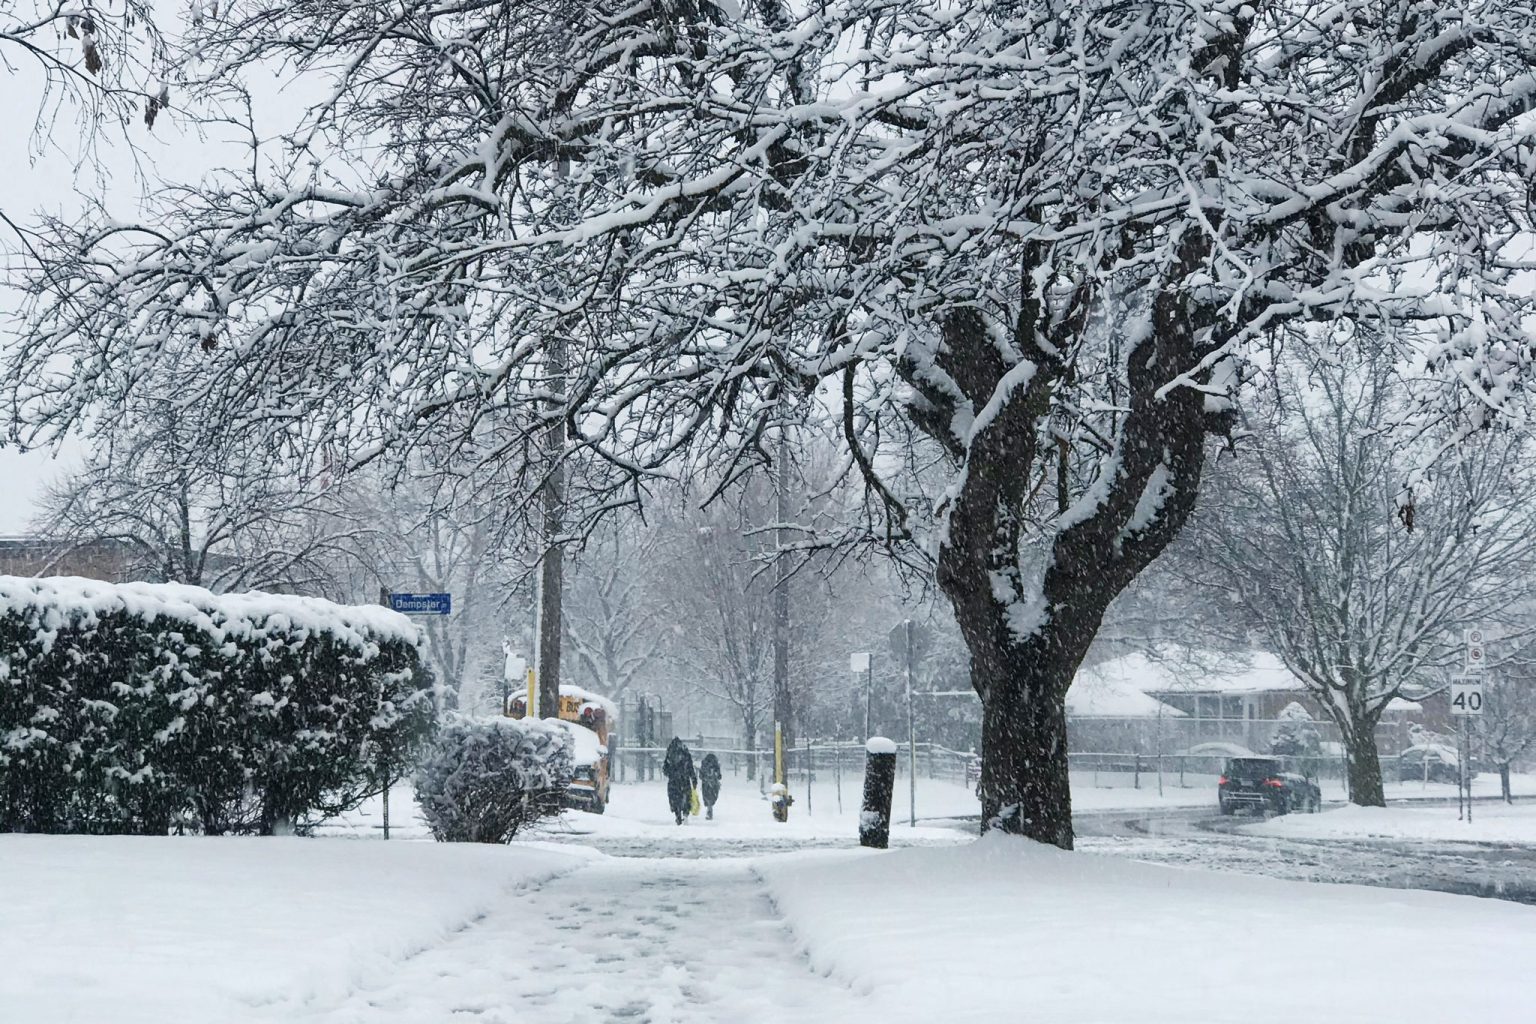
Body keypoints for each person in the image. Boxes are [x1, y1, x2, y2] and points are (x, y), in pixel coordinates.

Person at [661, 737, 697, 825]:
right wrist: (693, 778)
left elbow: (665, 769)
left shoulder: (670, 754)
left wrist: (670, 773)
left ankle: (678, 816)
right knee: (686, 798)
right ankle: (685, 814)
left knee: (675, 799)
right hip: (684, 780)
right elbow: (690, 767)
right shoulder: (685, 753)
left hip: (673, 781)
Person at [698, 752, 722, 820]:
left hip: (705, 783)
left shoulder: (704, 763)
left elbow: (700, 775)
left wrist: (704, 777)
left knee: (707, 797)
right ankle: (710, 808)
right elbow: (719, 776)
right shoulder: (716, 765)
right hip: (714, 783)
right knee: (712, 797)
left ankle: (709, 808)